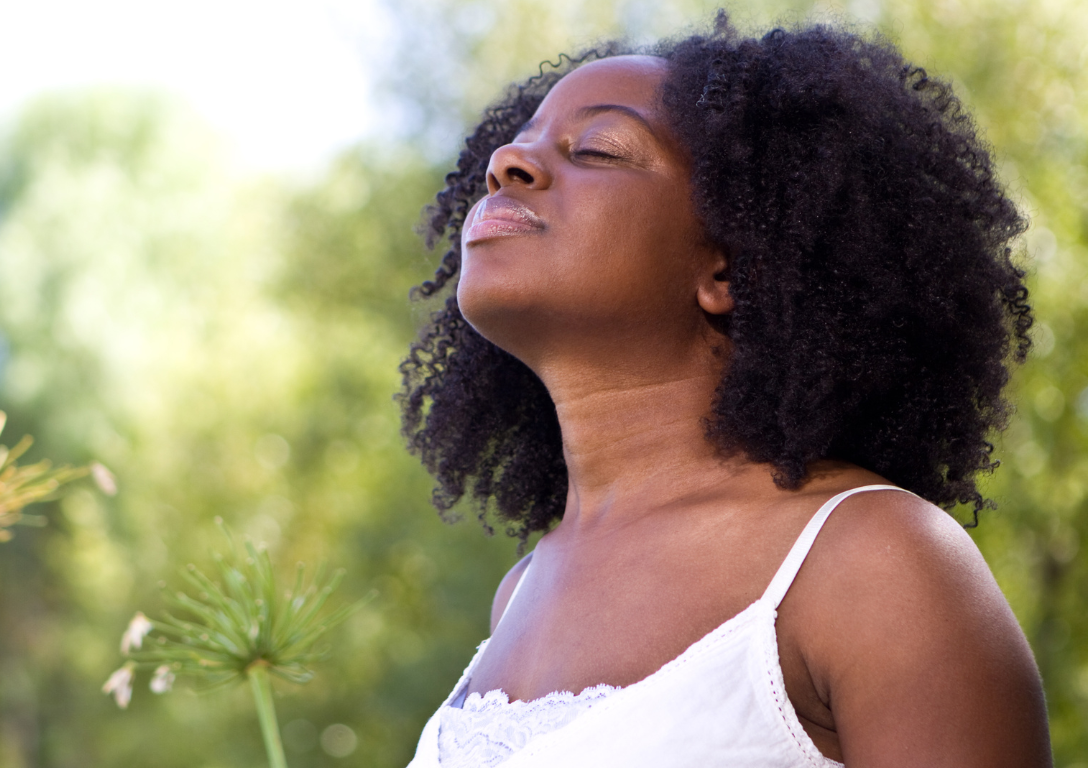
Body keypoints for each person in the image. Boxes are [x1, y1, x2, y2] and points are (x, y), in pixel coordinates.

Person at [399, 14, 1051, 768]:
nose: (507, 162)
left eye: (598, 149)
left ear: (728, 270)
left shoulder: (872, 561)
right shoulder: (520, 594)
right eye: (515, 144)